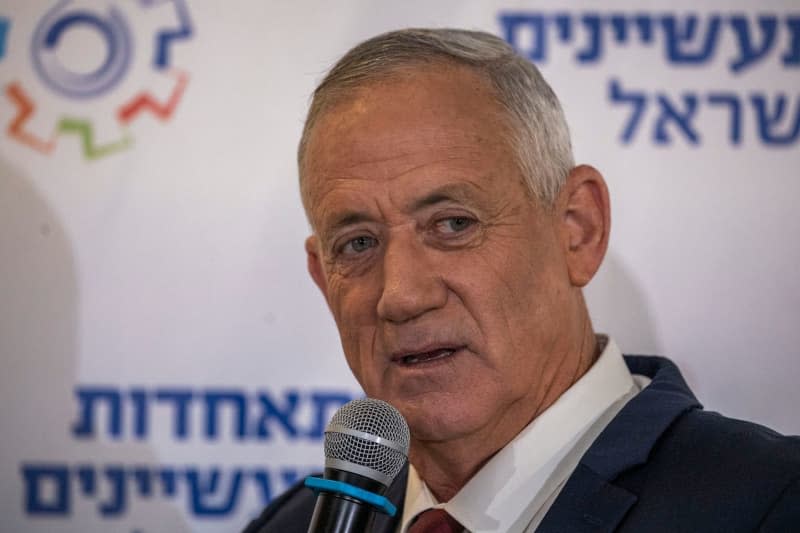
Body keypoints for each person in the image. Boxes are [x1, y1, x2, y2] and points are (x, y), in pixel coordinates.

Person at [244, 28, 800, 532]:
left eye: (453, 224)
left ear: (577, 231)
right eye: (359, 244)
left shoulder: (769, 505)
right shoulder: (289, 528)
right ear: (323, 279)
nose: (402, 295)